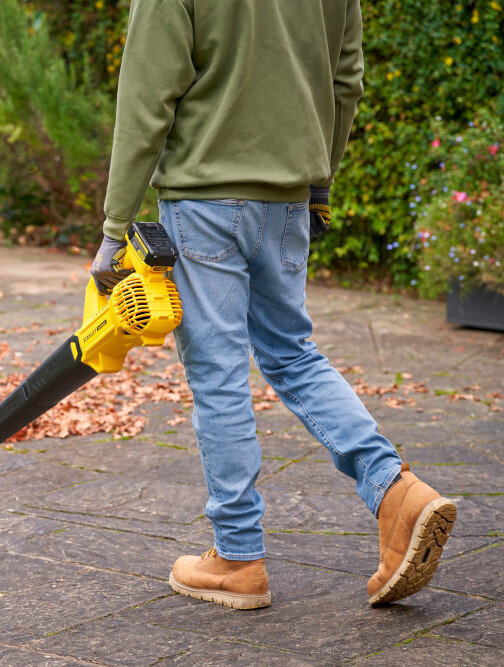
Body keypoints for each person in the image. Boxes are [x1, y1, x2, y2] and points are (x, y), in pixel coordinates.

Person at [91, 0, 456, 610]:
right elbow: (346, 79)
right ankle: (397, 492)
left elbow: (146, 98)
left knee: (219, 371)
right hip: (289, 199)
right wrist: (319, 184)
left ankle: (237, 557)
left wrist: (114, 226)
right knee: (293, 355)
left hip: (205, 201)